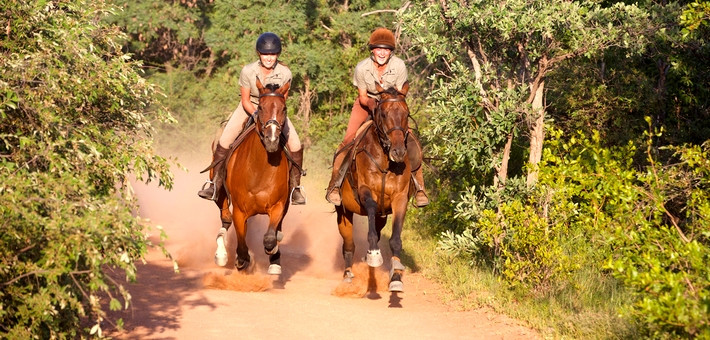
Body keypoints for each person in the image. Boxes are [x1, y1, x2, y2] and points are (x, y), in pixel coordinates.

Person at [324, 27, 428, 208]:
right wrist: (373, 105)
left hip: (391, 105)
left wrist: (389, 108)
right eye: (379, 49)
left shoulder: (399, 66)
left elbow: (400, 95)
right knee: (348, 140)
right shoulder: (362, 68)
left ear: (391, 52)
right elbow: (363, 96)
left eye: (386, 49)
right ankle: (335, 185)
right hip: (367, 104)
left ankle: (420, 188)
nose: (382, 53)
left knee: (410, 140)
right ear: (372, 50)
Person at [198, 32, 306, 205]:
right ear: (259, 54)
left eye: (272, 54)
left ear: (277, 54)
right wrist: (258, 115)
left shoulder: (285, 73)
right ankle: (214, 184)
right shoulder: (248, 71)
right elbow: (245, 100)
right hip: (251, 108)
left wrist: (271, 116)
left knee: (296, 144)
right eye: (265, 54)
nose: (269, 58)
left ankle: (295, 189)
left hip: (273, 111)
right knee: (224, 139)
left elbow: (282, 100)